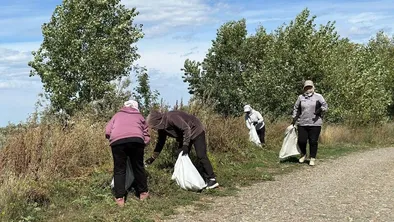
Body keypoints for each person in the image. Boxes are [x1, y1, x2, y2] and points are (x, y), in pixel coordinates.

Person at [144, 110, 219, 189]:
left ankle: (212, 179)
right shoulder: (162, 129)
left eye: (153, 126)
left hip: (196, 130)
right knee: (180, 155)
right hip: (185, 136)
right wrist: (153, 158)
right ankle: (186, 180)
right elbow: (160, 143)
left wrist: (185, 145)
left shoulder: (171, 117)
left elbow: (186, 128)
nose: (154, 129)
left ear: (157, 122)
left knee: (201, 155)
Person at [105, 100, 150, 207]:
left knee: (119, 169)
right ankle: (143, 193)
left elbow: (107, 131)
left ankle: (120, 198)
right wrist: (143, 143)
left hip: (118, 142)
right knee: (138, 167)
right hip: (136, 140)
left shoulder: (117, 115)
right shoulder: (139, 116)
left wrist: (112, 139)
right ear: (136, 107)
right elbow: (146, 133)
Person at [291, 80, 328, 166]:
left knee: (313, 141)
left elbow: (325, 106)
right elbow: (296, 108)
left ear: (313, 87)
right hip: (302, 122)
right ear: (304, 88)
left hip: (315, 123)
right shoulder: (301, 97)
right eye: (306, 87)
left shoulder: (318, 96)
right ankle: (303, 154)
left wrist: (321, 109)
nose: (308, 89)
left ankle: (312, 158)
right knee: (301, 141)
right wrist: (294, 118)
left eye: (310, 87)